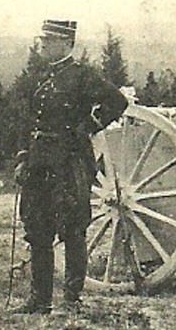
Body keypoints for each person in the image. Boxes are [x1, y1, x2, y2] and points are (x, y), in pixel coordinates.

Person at [15, 20, 128, 313]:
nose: (43, 45)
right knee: (38, 228)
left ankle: (71, 299)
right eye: (43, 40)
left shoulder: (82, 76)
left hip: (70, 161)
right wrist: (23, 157)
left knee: (73, 228)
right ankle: (39, 300)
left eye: (50, 40)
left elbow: (117, 101)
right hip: (40, 161)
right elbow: (29, 121)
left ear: (67, 43)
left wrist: (86, 128)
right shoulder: (40, 77)